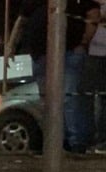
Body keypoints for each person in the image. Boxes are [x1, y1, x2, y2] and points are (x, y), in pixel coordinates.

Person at [6, 0, 100, 153]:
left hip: (69, 53)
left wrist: (83, 43)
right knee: (48, 100)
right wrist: (11, 45)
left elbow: (93, 16)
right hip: (40, 55)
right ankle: (56, 141)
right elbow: (22, 20)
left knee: (69, 98)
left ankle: (76, 143)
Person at [82, 0, 106, 153]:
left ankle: (101, 140)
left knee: (99, 99)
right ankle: (96, 139)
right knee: (93, 98)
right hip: (94, 53)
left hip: (96, 54)